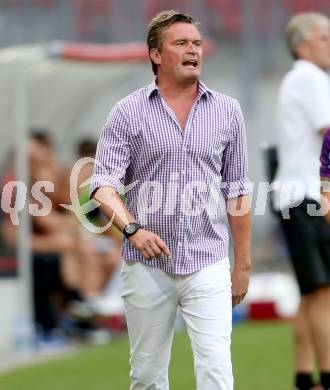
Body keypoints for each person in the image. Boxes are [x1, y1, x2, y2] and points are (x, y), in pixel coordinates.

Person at [91, 10, 251, 390]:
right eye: (181, 43)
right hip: (147, 266)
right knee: (146, 376)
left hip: (208, 260)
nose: (192, 50)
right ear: (156, 55)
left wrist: (242, 265)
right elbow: (102, 185)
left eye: (196, 43)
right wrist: (132, 230)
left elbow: (238, 190)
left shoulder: (228, 111)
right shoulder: (126, 112)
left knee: (217, 371)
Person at [273, 13, 330, 390]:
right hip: (311, 197)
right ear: (303, 45)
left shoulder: (299, 79)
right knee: (324, 293)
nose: (329, 43)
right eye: (324, 37)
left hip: (295, 196)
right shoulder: (309, 77)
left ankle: (303, 376)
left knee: (311, 294)